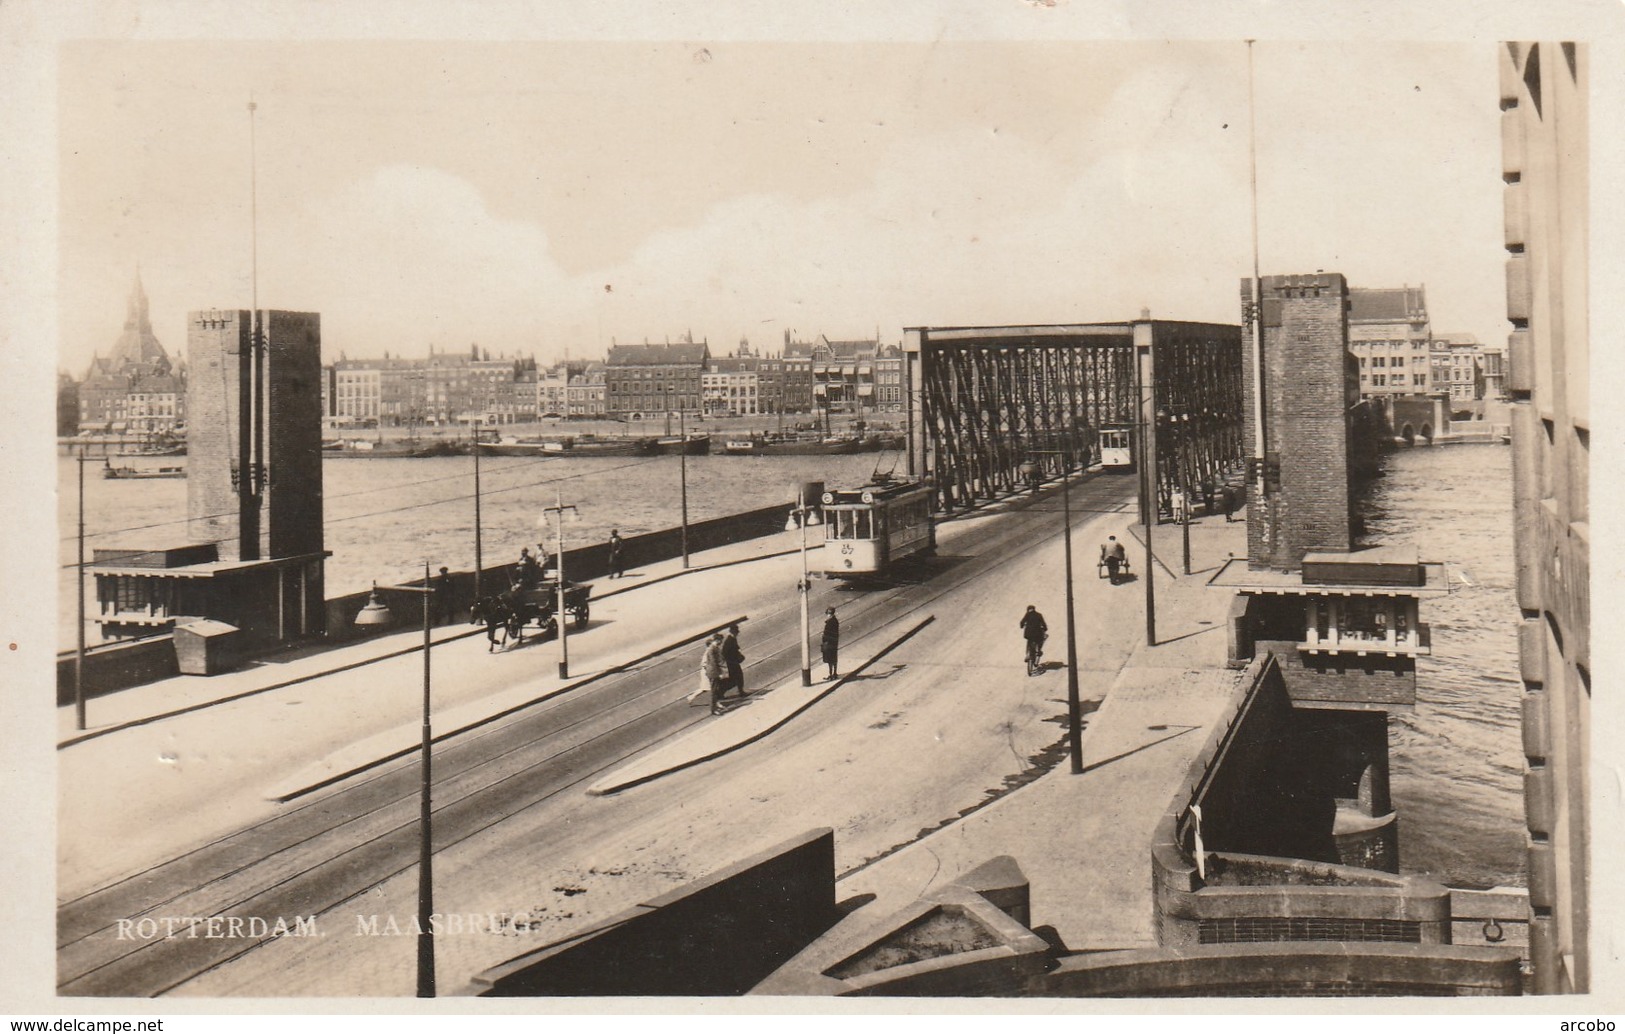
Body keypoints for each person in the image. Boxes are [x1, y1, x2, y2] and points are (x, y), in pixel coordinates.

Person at [1019, 605, 1048, 676]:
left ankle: (1027, 655)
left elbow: (1021, 623)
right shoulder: (1039, 615)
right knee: (1040, 641)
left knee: (1029, 642)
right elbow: (1044, 624)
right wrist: (1044, 628)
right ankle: (1038, 651)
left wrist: (1022, 626)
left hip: (1029, 634)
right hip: (1037, 634)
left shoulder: (1027, 615)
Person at [703, 633, 729, 715]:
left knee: (716, 690)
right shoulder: (712, 649)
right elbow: (713, 662)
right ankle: (713, 710)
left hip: (713, 671)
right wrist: (719, 673)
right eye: (721, 641)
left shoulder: (714, 648)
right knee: (714, 691)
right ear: (717, 640)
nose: (721, 642)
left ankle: (715, 706)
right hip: (713, 672)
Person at [721, 623, 747, 698]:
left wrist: (739, 653)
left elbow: (736, 648)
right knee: (733, 680)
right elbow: (724, 653)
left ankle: (741, 691)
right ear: (732, 632)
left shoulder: (732, 639)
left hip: (734, 662)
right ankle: (720, 692)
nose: (737, 634)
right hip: (731, 663)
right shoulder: (728, 640)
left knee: (738, 677)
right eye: (736, 632)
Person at [821, 606, 840, 680]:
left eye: (828, 614)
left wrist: (823, 636)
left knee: (830, 659)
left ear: (829, 614)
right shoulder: (835, 621)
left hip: (829, 643)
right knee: (834, 658)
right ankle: (834, 673)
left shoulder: (829, 622)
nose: (827, 615)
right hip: (834, 642)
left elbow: (827, 633)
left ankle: (831, 674)